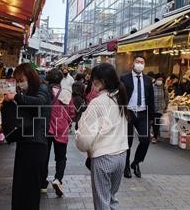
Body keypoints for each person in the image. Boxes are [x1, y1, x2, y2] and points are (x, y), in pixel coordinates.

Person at [76, 63, 129, 210]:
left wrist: (78, 134)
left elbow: (84, 141)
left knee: (102, 203)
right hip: (121, 155)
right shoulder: (119, 97)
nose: (92, 83)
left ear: (102, 81)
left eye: (94, 80)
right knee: (112, 199)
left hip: (104, 158)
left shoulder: (98, 102)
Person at [2, 63, 51, 210]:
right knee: (20, 186)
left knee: (29, 189)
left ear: (30, 76)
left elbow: (39, 104)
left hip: (36, 145)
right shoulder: (28, 92)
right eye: (17, 81)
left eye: (21, 79)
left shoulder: (42, 89)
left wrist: (16, 96)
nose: (19, 83)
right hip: (25, 143)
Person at [42, 68, 75, 197]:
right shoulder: (66, 93)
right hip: (61, 128)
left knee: (44, 157)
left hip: (46, 128)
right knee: (61, 157)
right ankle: (58, 179)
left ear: (48, 79)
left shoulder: (43, 92)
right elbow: (72, 112)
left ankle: (42, 184)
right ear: (61, 79)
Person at [120, 56, 154, 178]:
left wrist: (152, 117)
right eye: (138, 62)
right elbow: (120, 97)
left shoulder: (148, 80)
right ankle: (126, 165)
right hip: (129, 112)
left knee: (145, 140)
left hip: (143, 113)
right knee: (128, 142)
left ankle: (136, 162)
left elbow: (151, 99)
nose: (140, 64)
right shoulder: (124, 78)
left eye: (142, 62)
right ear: (133, 64)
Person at [151, 73, 169, 143]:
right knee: (152, 122)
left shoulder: (164, 87)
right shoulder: (151, 87)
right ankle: (153, 134)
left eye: (161, 80)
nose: (160, 81)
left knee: (156, 122)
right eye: (159, 79)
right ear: (155, 79)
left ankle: (155, 137)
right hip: (152, 108)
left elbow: (167, 97)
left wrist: (166, 107)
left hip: (160, 108)